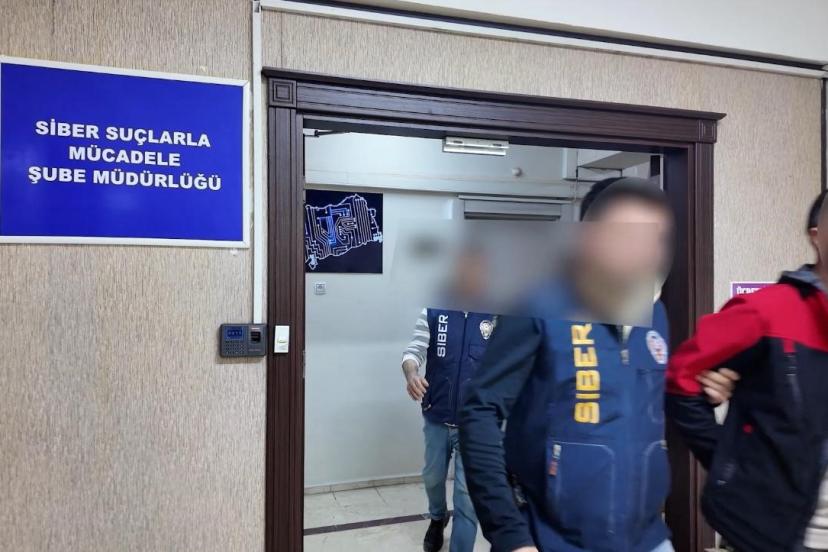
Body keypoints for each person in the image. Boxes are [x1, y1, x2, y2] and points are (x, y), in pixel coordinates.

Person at [459, 177, 737, 552]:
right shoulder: (537, 304)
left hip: (648, 539)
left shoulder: (655, 313)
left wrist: (702, 393)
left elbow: (644, 404)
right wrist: (509, 533)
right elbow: (480, 411)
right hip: (553, 540)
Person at [665, 190, 828, 552]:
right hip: (777, 534)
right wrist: (732, 465)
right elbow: (680, 380)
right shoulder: (767, 310)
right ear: (817, 235)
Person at [402, 249, 496, 552]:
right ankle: (437, 517)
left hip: (475, 424)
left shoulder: (498, 316)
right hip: (437, 415)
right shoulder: (434, 309)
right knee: (432, 477)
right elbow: (413, 352)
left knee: (467, 498)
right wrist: (411, 374)